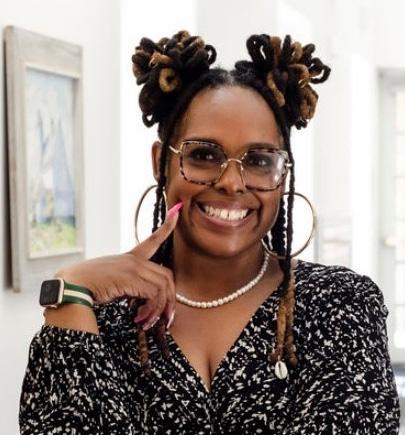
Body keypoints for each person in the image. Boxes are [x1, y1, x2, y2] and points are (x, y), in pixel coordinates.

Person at [19, 31, 400, 434]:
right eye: (203, 155)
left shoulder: (340, 306)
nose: (232, 183)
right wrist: (70, 290)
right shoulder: (98, 315)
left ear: (283, 174)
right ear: (161, 163)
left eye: (259, 160)